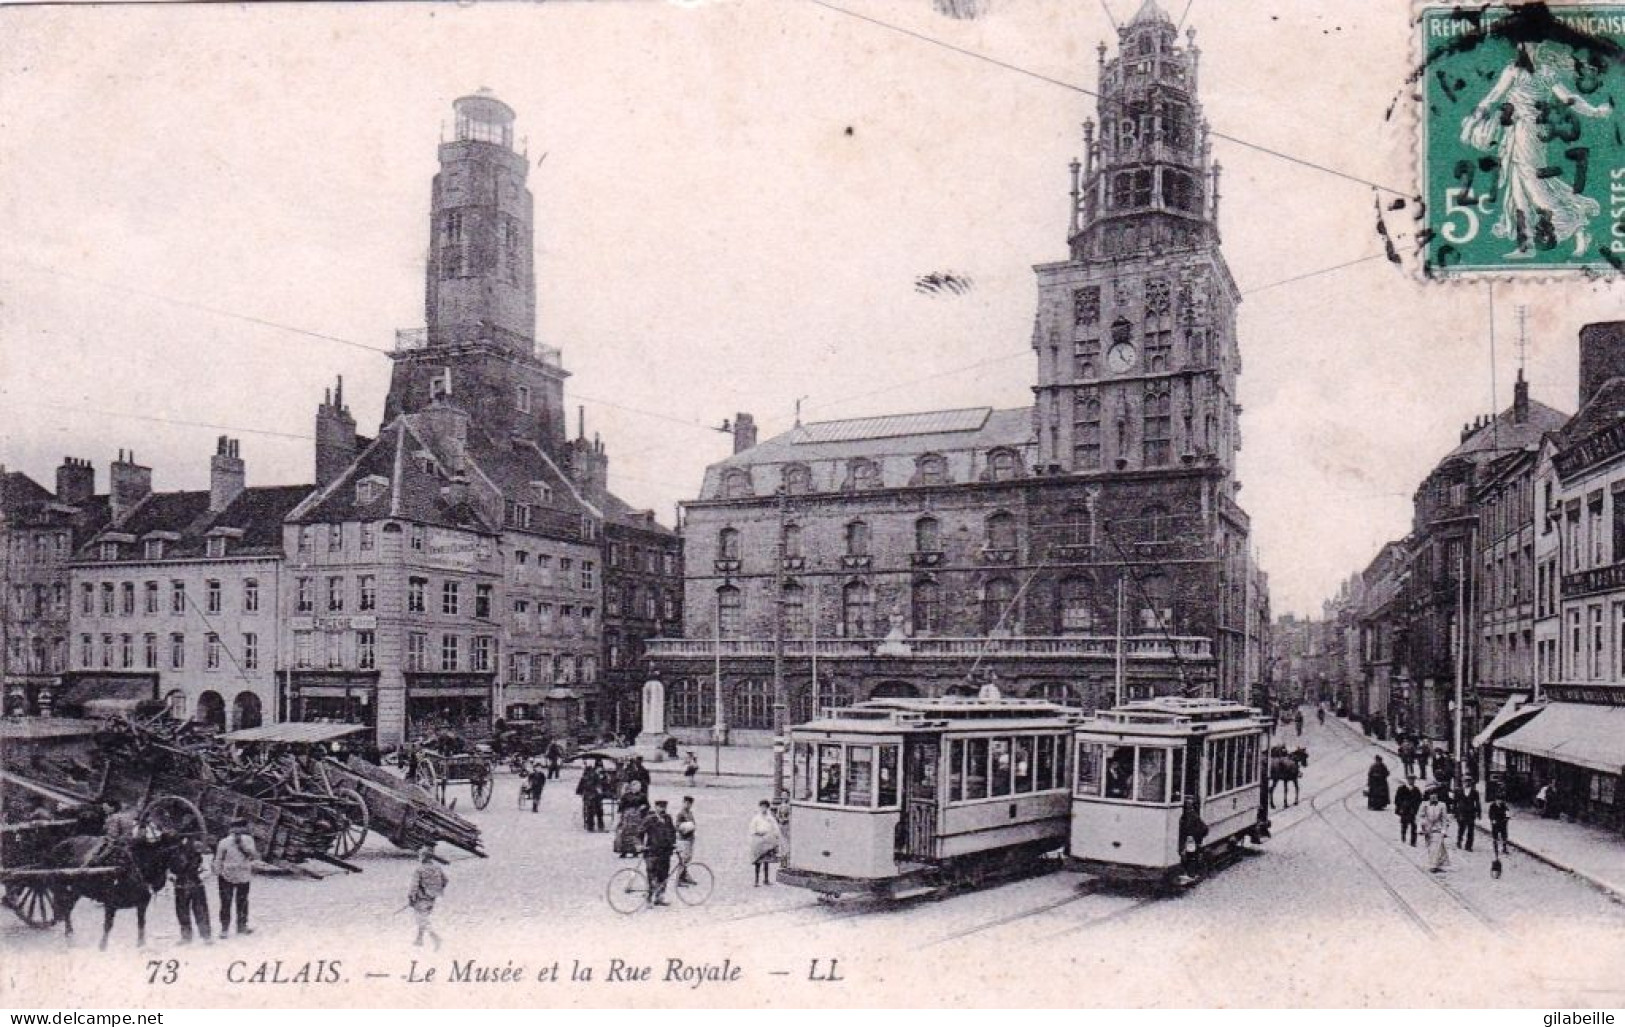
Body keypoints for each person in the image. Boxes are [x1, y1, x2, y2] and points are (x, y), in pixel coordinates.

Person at [1461, 40, 1613, 259]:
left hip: (1530, 133)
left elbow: (1569, 99)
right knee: (1518, 189)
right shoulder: (1515, 70)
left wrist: (1595, 111)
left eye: (1534, 45)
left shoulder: (1541, 72)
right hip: (1516, 133)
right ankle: (1527, 244)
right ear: (1522, 46)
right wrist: (1472, 123)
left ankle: (1575, 225)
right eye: (1529, 44)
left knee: (1534, 186)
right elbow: (1492, 98)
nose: (1532, 48)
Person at [214, 818, 259, 937]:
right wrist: (218, 872)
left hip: (239, 874)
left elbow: (253, 855)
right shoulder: (225, 842)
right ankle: (226, 929)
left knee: (239, 902)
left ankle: (239, 927)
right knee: (229, 902)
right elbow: (219, 858)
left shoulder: (247, 840)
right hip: (230, 875)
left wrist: (242, 845)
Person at [169, 835, 211, 944]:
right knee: (182, 912)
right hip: (181, 886)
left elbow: (207, 869)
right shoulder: (173, 855)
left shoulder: (199, 854)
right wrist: (173, 877)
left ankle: (206, 936)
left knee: (200, 910)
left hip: (195, 885)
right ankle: (186, 936)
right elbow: (170, 871)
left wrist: (199, 878)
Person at [408, 845, 447, 949]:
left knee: (421, 919)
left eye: (420, 855)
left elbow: (414, 887)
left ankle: (435, 937)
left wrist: (411, 898)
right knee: (424, 918)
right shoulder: (437, 868)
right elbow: (445, 880)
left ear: (423, 857)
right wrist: (437, 890)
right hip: (432, 899)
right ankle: (419, 939)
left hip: (421, 899)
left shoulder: (419, 870)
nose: (419, 857)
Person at [641, 799, 678, 905]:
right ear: (656, 807)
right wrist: (639, 845)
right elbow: (640, 832)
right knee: (652, 875)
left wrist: (673, 843)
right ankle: (649, 898)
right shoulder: (649, 819)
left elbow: (672, 831)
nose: (662, 809)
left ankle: (659, 897)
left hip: (665, 852)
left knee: (664, 875)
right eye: (660, 807)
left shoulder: (668, 818)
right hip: (652, 851)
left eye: (664, 807)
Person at [749, 800, 783, 886]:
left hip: (768, 841)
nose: (763, 809)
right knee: (758, 861)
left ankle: (766, 879)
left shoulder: (770, 818)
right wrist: (757, 833)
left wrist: (776, 837)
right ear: (760, 807)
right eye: (762, 807)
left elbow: (775, 828)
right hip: (758, 841)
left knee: (766, 861)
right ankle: (756, 881)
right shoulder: (756, 818)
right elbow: (752, 829)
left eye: (765, 807)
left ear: (767, 808)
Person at [1176, 797, 1208, 885]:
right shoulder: (1185, 816)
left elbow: (1204, 828)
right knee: (1187, 855)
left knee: (1191, 856)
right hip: (1188, 839)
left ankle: (1191, 874)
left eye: (1189, 806)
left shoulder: (1193, 816)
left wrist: (1194, 837)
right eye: (1186, 806)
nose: (1187, 808)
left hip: (1192, 840)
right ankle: (1189, 873)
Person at [1419, 790, 1450, 873]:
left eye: (1435, 795)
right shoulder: (1424, 804)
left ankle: (1433, 865)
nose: (1433, 797)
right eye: (1431, 795)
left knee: (1436, 847)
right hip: (1428, 829)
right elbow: (1421, 816)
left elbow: (1444, 819)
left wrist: (1444, 830)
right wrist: (1422, 827)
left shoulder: (1442, 805)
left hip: (1438, 829)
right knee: (1430, 847)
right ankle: (1436, 864)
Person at [615, 781, 648, 857]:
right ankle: (623, 851)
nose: (638, 788)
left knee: (636, 833)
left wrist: (644, 807)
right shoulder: (626, 796)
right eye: (636, 786)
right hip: (627, 817)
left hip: (638, 817)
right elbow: (621, 807)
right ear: (632, 787)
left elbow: (647, 805)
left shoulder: (642, 796)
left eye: (639, 786)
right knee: (625, 833)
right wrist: (620, 816)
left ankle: (635, 851)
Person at [674, 796, 698, 886]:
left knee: (687, 859)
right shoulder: (681, 814)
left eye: (689, 803)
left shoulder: (690, 813)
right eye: (686, 803)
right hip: (683, 839)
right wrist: (685, 828)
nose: (688, 805)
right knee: (683, 859)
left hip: (689, 839)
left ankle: (684, 876)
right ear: (683, 802)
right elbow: (677, 826)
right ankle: (679, 878)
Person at [1394, 776, 1422, 847]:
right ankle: (1403, 837)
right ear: (1407, 780)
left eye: (1413, 780)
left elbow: (1419, 800)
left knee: (1413, 826)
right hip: (1404, 810)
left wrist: (1415, 807)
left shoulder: (1416, 790)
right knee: (1404, 824)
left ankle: (1413, 841)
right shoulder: (1401, 789)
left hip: (1412, 810)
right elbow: (1397, 799)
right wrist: (1401, 806)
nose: (1412, 781)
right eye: (1410, 780)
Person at [1454, 784, 1482, 852]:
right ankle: (1459, 841)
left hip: (1471, 813)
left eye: (1468, 781)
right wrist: (1455, 812)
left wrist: (1479, 813)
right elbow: (1455, 802)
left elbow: (1477, 802)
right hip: (1461, 812)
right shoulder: (1459, 791)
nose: (1466, 783)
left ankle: (1469, 846)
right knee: (1461, 828)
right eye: (1465, 781)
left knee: (1470, 830)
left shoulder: (1475, 792)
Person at [576, 764, 604, 832]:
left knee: (591, 811)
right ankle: (599, 826)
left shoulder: (585, 776)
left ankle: (591, 827)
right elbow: (598, 786)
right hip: (594, 796)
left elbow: (579, 789)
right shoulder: (595, 776)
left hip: (589, 796)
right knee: (598, 811)